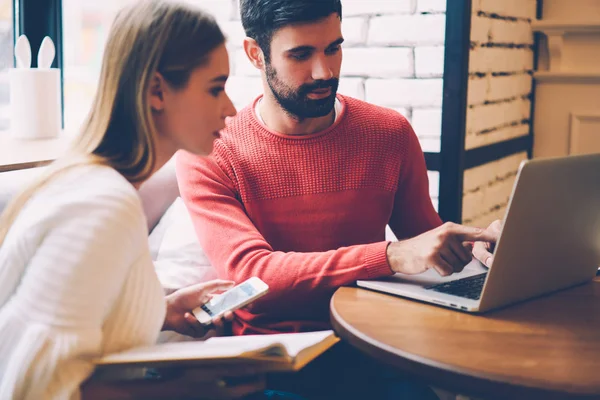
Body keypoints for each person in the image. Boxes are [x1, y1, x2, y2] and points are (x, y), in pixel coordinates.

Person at [175, 0, 499, 398]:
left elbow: (426, 239)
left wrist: (482, 246)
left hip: (376, 345)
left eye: (333, 48)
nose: (324, 72)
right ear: (256, 54)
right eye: (300, 54)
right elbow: (253, 277)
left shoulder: (389, 133)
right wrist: (391, 255)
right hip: (274, 363)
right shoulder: (209, 152)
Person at [0, 1, 242, 398]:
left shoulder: (101, 186)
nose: (230, 108)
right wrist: (178, 392)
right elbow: (36, 387)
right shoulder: (103, 206)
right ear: (157, 91)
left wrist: (165, 310)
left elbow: (84, 314)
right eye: (215, 88)